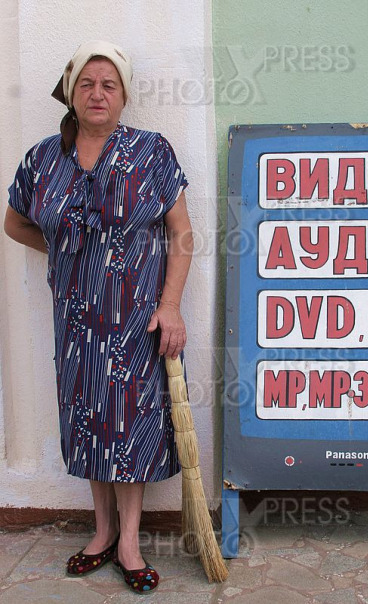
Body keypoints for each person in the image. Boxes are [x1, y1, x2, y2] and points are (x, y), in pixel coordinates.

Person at [4, 40, 193, 594]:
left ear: (124, 95)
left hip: (137, 320)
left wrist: (171, 306)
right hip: (76, 321)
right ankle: (102, 531)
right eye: (86, 84)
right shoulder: (44, 159)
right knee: (88, 421)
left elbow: (181, 234)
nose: (97, 93)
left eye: (109, 84)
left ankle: (129, 541)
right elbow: (14, 223)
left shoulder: (151, 152)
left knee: (129, 427)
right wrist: (68, 253)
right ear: (71, 93)